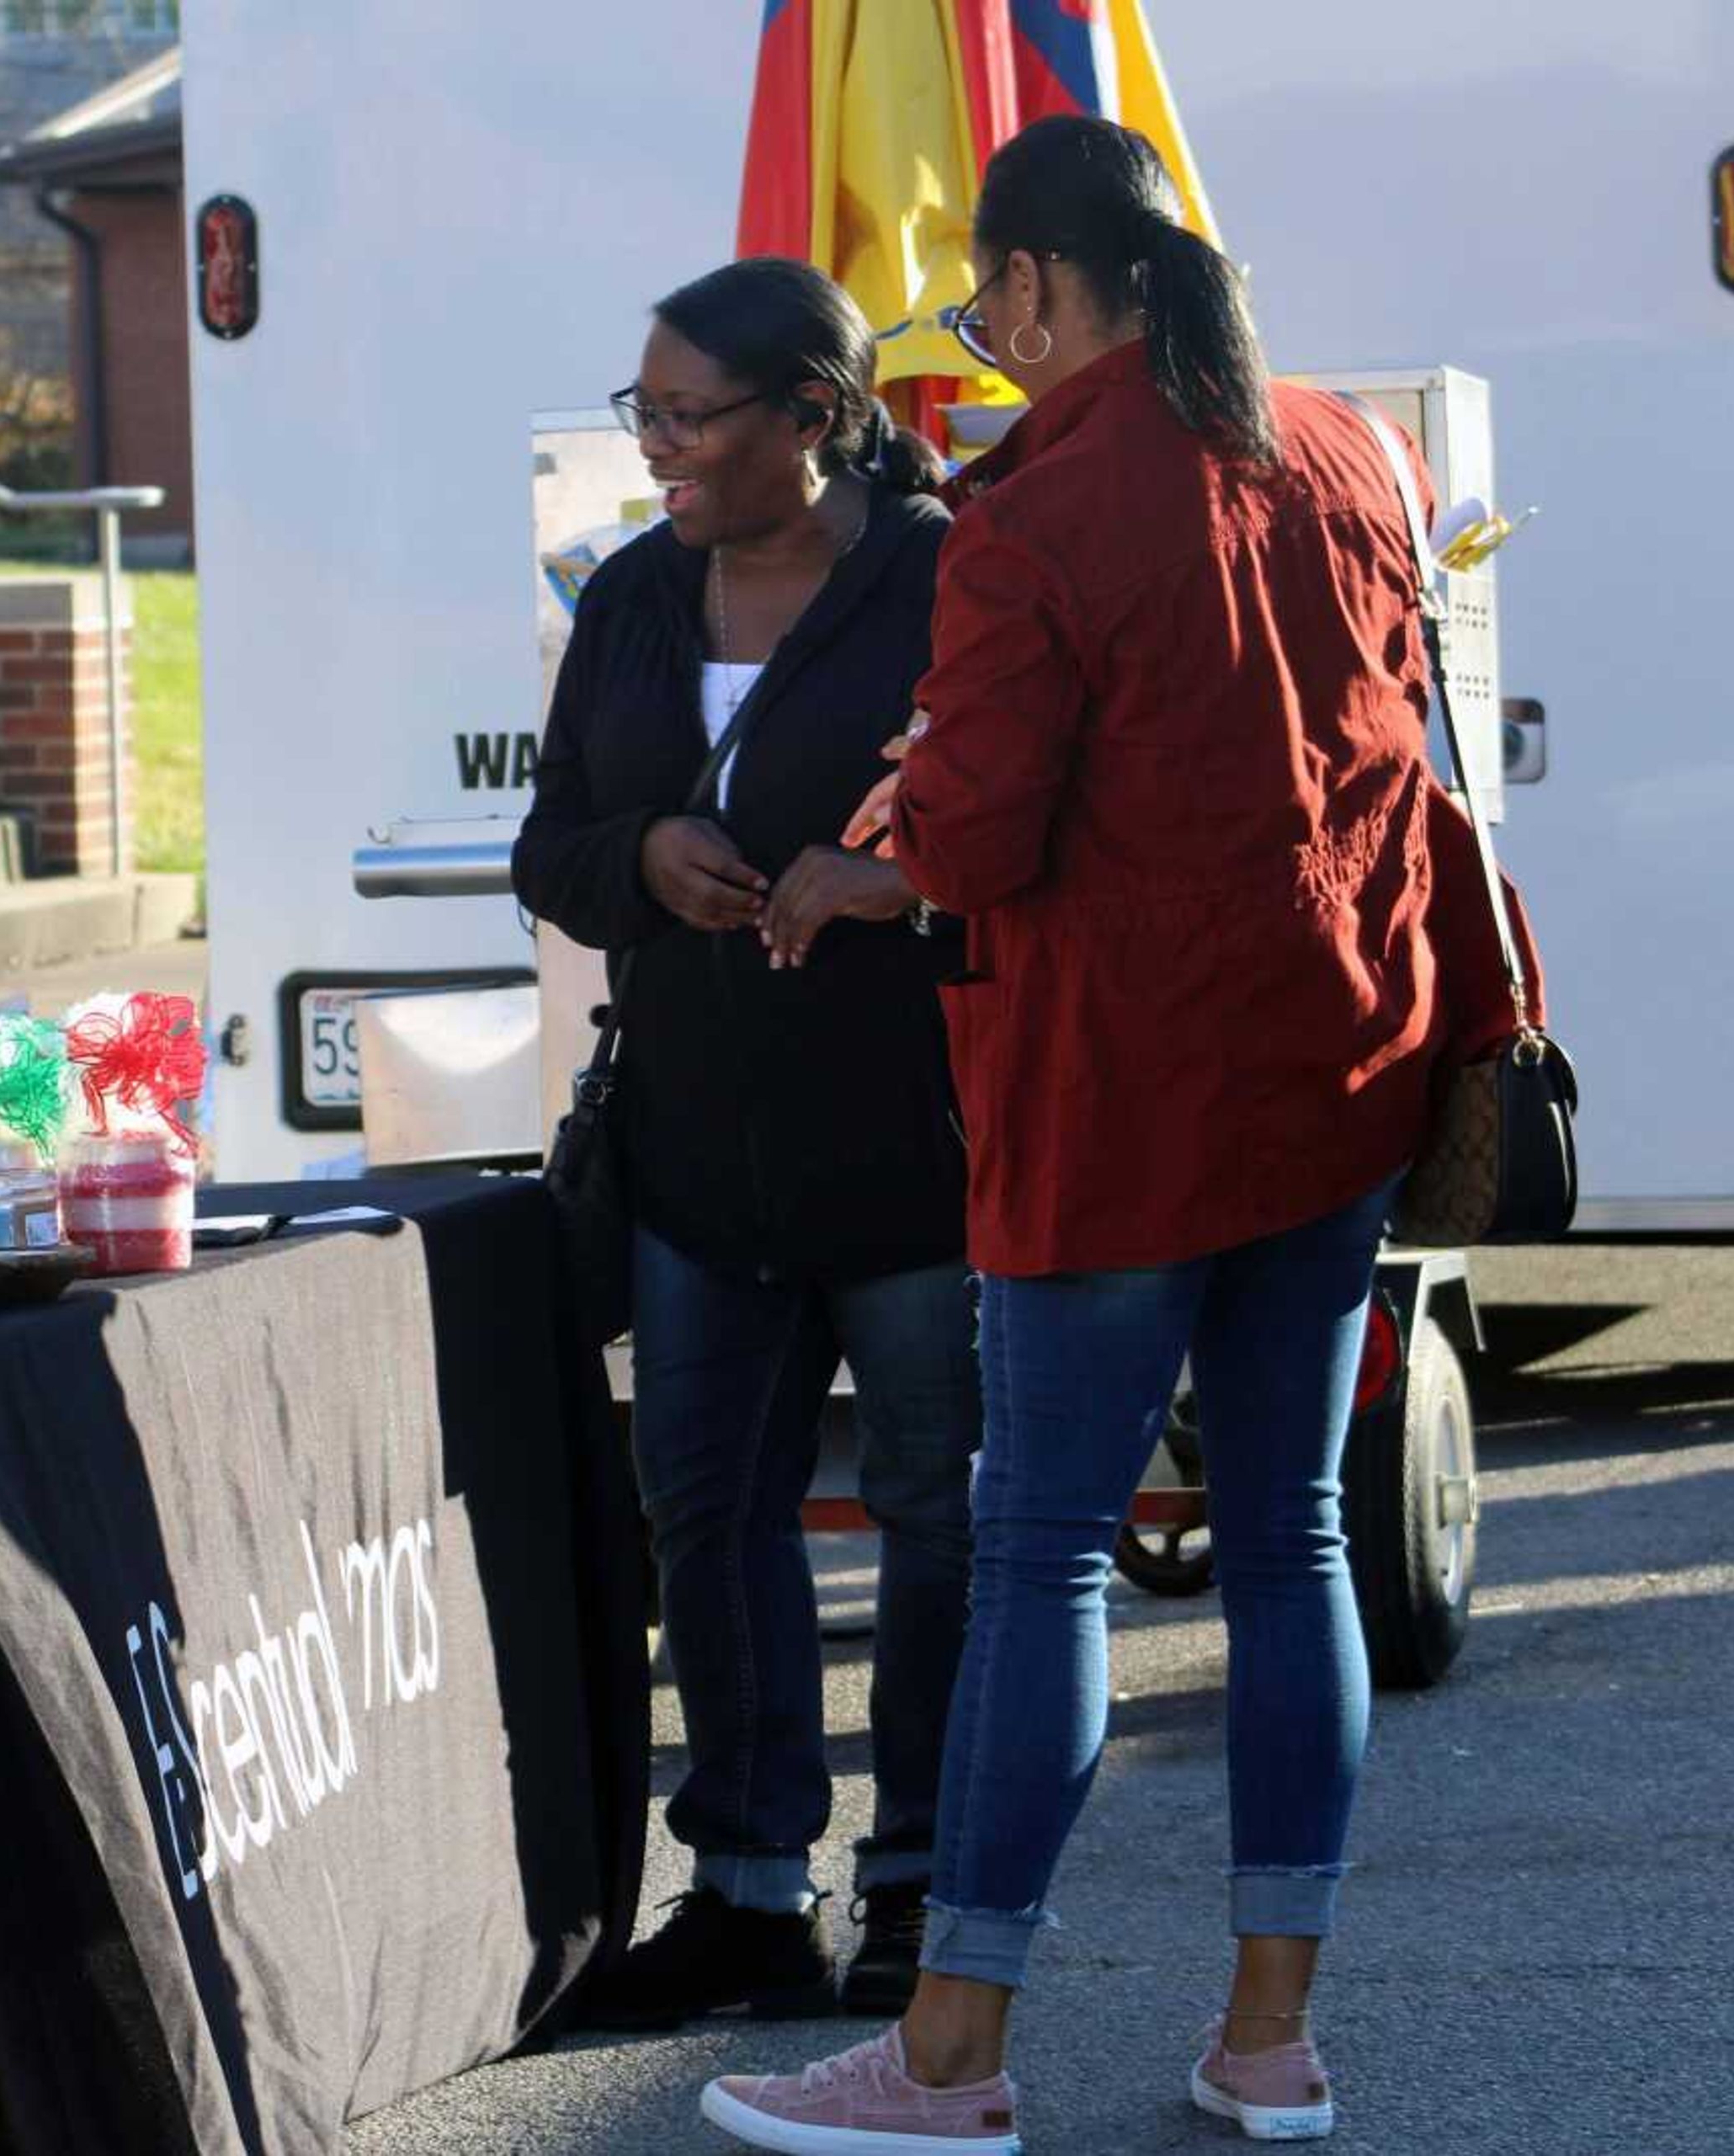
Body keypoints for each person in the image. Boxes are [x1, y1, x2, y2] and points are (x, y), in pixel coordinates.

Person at [704, 119, 1482, 2153]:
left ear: (1048, 289)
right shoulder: (1334, 449)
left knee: (1046, 1544)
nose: (977, 331)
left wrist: (883, 827)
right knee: (1294, 1523)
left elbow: (974, 832)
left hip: (1121, 1091)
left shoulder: (1034, 513)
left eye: (983, 298)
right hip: (1338, 1061)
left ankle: (949, 2049)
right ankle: (1267, 2040)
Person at [514, 258, 979, 2027]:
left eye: (696, 416)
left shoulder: (945, 579)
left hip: (913, 1149)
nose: (661, 450)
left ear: (819, 415)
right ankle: (748, 1886)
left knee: (935, 1517)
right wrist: (637, 857)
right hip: (696, 1155)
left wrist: (892, 884)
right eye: (646, 411)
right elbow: (552, 845)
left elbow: (1027, 833)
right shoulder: (634, 592)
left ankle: (924, 1885)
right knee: (705, 1512)